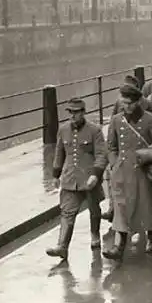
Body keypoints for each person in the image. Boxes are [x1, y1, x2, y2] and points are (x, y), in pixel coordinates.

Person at [104, 83, 152, 260]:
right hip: (122, 171)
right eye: (123, 103)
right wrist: (114, 164)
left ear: (137, 102)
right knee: (121, 207)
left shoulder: (150, 119)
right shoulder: (117, 120)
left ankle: (151, 237)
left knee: (147, 204)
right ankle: (119, 246)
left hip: (143, 169)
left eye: (129, 103)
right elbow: (111, 145)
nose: (125, 106)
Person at [47, 98, 107, 260]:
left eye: (76, 112)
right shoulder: (63, 129)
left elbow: (102, 154)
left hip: (89, 179)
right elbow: (59, 152)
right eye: (70, 112)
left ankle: (95, 234)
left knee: (94, 210)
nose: (72, 116)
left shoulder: (95, 130)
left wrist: (96, 174)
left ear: (83, 112)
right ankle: (62, 247)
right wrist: (55, 175)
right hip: (69, 179)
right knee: (67, 212)